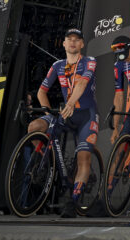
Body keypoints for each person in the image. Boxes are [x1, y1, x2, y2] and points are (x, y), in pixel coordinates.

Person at [35, 28, 99, 218]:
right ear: (63, 43)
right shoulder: (57, 65)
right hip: (65, 114)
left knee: (83, 158)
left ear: (82, 44)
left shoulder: (90, 61)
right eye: (69, 39)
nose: (72, 42)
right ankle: (47, 162)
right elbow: (41, 92)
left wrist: (70, 103)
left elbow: (82, 84)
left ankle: (73, 201)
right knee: (35, 127)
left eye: (76, 39)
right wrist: (48, 113)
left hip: (86, 115)